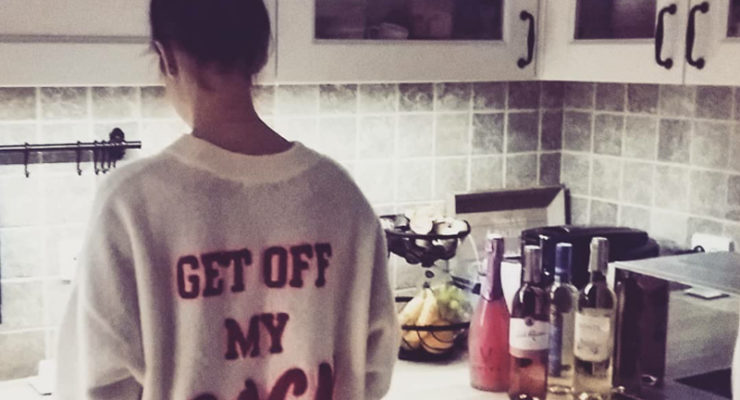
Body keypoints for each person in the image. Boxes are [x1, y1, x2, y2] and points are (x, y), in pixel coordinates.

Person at [54, 0, 399, 399]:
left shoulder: (131, 204)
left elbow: (95, 381)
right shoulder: (341, 197)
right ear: (262, 54)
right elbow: (374, 366)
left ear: (167, 58)